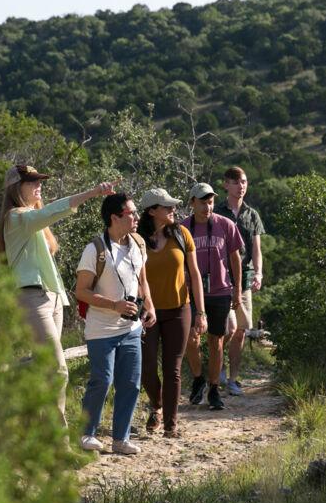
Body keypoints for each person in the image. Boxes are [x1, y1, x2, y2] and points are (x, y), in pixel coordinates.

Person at [0, 164, 116, 425]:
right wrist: (92, 192)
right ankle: (57, 441)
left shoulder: (33, 221)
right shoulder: (16, 218)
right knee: (58, 369)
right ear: (17, 188)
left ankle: (34, 431)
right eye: (32, 182)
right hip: (31, 298)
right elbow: (55, 210)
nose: (39, 185)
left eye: (39, 181)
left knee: (45, 369)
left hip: (51, 298)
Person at [75, 193, 156, 455]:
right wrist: (114, 305)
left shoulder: (138, 243)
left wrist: (150, 305)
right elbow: (82, 291)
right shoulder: (95, 249)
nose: (136, 217)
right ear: (114, 218)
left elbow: (142, 280)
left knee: (131, 383)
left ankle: (120, 439)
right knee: (102, 380)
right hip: (101, 329)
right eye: (131, 213)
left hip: (130, 328)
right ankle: (86, 434)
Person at [137, 188, 207, 438]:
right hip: (147, 313)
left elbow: (195, 274)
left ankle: (170, 424)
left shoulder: (181, 234)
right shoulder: (136, 239)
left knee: (172, 369)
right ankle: (156, 405)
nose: (172, 210)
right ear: (152, 211)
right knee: (146, 368)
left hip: (180, 310)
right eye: (166, 207)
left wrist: (201, 312)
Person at [182, 183, 243, 410]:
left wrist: (237, 288)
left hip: (220, 291)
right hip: (191, 292)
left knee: (216, 340)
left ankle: (214, 388)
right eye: (202, 202)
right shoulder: (183, 228)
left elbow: (235, 257)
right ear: (192, 203)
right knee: (191, 338)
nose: (207, 207)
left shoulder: (225, 225)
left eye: (210, 202)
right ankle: (198, 378)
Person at [216, 166, 266, 396]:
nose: (241, 186)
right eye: (235, 182)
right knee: (228, 327)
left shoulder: (251, 214)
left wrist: (258, 273)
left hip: (244, 278)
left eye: (244, 181)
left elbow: (256, 249)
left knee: (242, 330)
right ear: (226, 185)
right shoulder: (216, 212)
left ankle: (233, 379)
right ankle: (217, 365)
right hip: (221, 278)